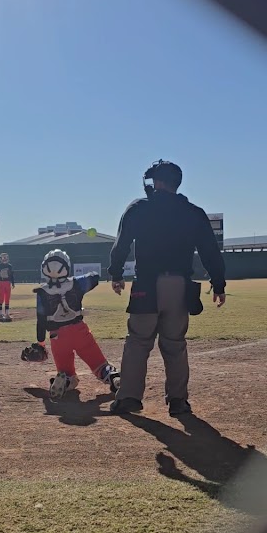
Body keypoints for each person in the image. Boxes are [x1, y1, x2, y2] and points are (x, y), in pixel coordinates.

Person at [108, 159, 226, 417]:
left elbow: (122, 244)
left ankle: (129, 397)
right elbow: (210, 252)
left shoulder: (139, 208)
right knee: (175, 344)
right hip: (179, 286)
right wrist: (218, 283)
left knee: (138, 342)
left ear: (157, 182)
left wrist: (116, 274)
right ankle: (178, 401)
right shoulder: (193, 212)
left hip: (147, 284)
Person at [20, 249, 118, 400]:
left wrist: (41, 343)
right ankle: (112, 376)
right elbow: (95, 277)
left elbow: (41, 320)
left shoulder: (42, 292)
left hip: (57, 336)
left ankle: (64, 380)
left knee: (67, 373)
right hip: (79, 331)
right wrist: (76, 280)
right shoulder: (76, 283)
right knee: (99, 365)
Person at [0, 252, 15, 322]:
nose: (5, 259)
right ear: (0, 259)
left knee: (7, 298)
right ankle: (0, 314)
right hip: (1, 282)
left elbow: (12, 275)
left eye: (6, 257)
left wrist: (12, 283)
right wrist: (0, 274)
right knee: (1, 299)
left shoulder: (9, 266)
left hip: (7, 282)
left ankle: (7, 313)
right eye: (3, 257)